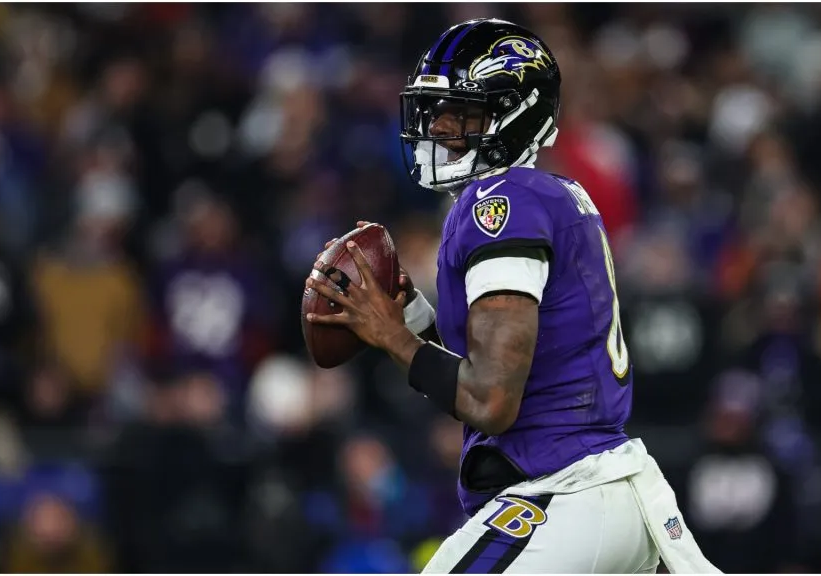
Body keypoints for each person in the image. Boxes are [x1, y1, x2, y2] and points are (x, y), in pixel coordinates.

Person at [305, 18, 719, 574]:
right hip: (597, 490)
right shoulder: (547, 196)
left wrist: (392, 335)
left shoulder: (499, 200)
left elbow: (492, 402)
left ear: (516, 114)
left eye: (463, 111)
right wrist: (410, 314)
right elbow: (494, 371)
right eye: (439, 109)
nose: (443, 125)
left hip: (567, 490)